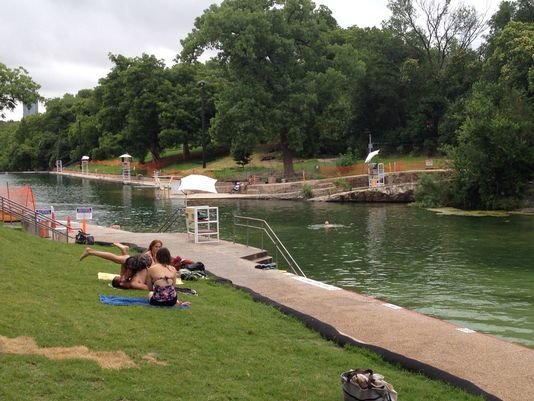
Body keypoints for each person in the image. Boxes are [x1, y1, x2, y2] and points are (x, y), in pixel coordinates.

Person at [79, 246, 151, 290]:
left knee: (119, 259)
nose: (119, 276)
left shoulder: (127, 278)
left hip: (139, 262)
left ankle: (91, 252)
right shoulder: (128, 279)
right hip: (141, 262)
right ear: (121, 283)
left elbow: (125, 269)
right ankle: (124, 250)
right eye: (118, 278)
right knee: (118, 259)